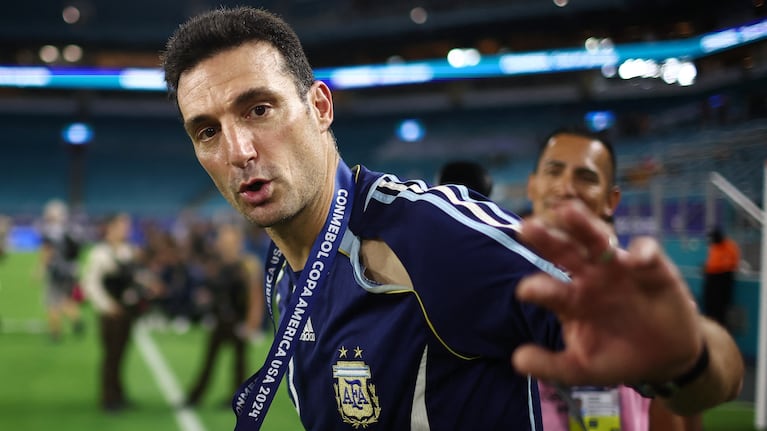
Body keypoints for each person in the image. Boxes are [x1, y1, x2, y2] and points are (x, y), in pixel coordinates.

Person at [161, 7, 743, 430]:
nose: (238, 150)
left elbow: (699, 367)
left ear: (319, 107)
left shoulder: (430, 234)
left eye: (259, 109)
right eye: (206, 131)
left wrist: (683, 358)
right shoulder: (283, 266)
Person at [527, 129, 704, 431]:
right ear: (533, 186)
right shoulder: (498, 285)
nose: (566, 187)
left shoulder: (652, 296)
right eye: (554, 171)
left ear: (612, 199)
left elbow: (678, 417)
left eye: (586, 177)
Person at [81, 212, 158, 412]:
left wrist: (149, 283)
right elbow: (90, 284)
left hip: (127, 311)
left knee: (121, 354)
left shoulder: (128, 251)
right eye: (122, 226)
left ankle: (119, 394)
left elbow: (135, 276)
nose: (126, 230)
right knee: (111, 356)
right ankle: (108, 398)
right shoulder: (100, 253)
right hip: (111, 314)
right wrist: (107, 305)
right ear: (111, 228)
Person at [184, 223, 265, 408]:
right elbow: (212, 290)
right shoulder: (217, 263)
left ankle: (238, 398)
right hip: (220, 319)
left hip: (239, 320)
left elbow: (255, 295)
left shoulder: (248, 264)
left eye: (228, 239)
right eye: (222, 239)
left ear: (237, 241)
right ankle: (195, 397)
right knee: (209, 360)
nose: (223, 242)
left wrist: (252, 323)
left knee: (239, 363)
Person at [38, 199, 84, 342]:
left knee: (52, 302)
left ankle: (55, 334)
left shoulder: (51, 231)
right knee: (66, 298)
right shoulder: (72, 230)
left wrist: (40, 268)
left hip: (57, 271)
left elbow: (48, 251)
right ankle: (77, 321)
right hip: (71, 270)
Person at [702, 226, 740, 328]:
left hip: (723, 278)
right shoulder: (714, 246)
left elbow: (731, 263)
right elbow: (711, 263)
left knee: (721, 310)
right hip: (712, 278)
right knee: (709, 307)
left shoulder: (730, 246)